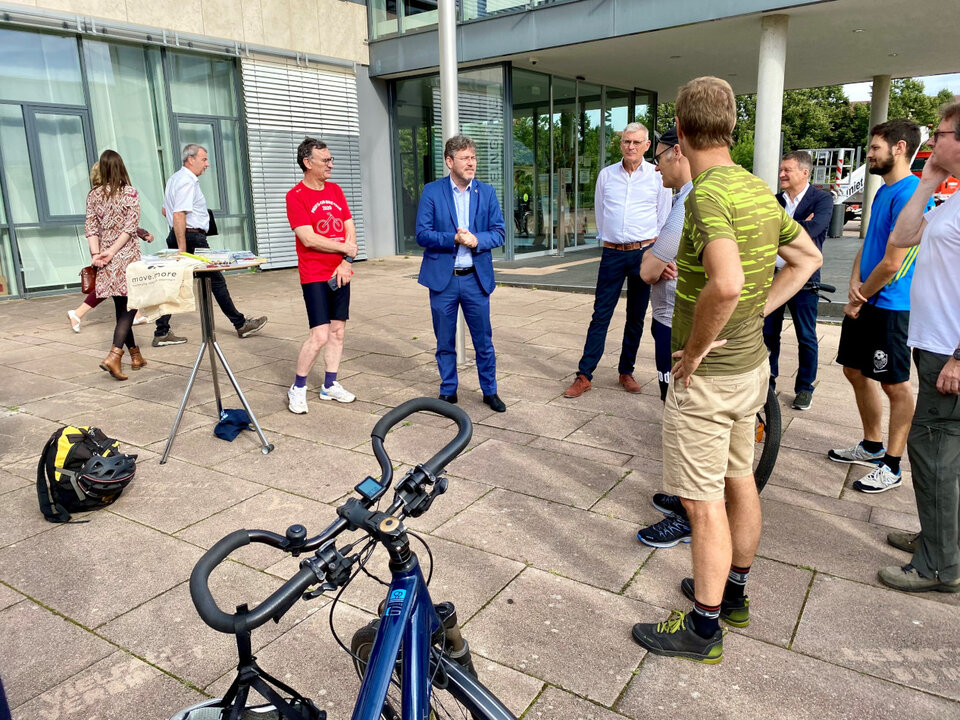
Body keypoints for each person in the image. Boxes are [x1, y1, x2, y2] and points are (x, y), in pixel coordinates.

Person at [630, 76, 822, 664]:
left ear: (681, 133)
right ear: (733, 127)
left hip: (711, 380)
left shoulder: (708, 194)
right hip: (753, 374)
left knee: (703, 500)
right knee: (740, 480)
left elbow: (728, 282)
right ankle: (733, 594)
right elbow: (807, 258)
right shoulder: (759, 189)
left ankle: (704, 628)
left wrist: (698, 346)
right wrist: (759, 312)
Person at [879, 102, 960, 593]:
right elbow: (903, 236)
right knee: (943, 455)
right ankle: (940, 540)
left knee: (933, 454)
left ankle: (938, 565)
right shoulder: (952, 199)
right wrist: (927, 181)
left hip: (950, 353)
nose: (934, 140)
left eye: (942, 133)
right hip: (936, 345)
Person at [828, 120, 925, 493]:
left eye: (874, 148)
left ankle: (893, 464)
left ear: (899, 148)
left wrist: (859, 297)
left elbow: (892, 263)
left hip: (890, 306)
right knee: (854, 370)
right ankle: (871, 445)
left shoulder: (911, 194)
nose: (868, 154)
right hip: (866, 298)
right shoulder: (883, 191)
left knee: (895, 385)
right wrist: (854, 283)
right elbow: (868, 246)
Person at [563, 122, 672, 398]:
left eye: (636, 142)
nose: (630, 147)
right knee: (600, 314)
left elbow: (664, 218)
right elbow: (601, 213)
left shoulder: (658, 177)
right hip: (612, 253)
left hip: (643, 253)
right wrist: (611, 237)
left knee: (635, 316)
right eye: (626, 142)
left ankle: (626, 371)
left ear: (647, 146)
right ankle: (585, 374)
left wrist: (658, 255)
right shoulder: (606, 175)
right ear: (620, 144)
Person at [633, 125, 695, 549]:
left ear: (678, 152)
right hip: (671, 319)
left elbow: (648, 270)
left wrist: (652, 257)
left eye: (659, 155)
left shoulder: (691, 199)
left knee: (683, 418)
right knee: (675, 411)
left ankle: (690, 515)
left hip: (679, 325)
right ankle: (685, 497)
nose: (656, 164)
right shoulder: (687, 197)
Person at [415, 135, 507, 412]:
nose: (471, 163)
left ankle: (489, 390)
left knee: (483, 341)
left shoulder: (487, 193)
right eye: (465, 158)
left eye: (473, 158)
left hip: (475, 280)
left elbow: (499, 233)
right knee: (444, 340)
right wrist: (453, 239)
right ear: (449, 161)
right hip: (443, 280)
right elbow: (422, 234)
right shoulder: (432, 192)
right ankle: (448, 390)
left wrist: (476, 241)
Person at [153, 144, 267, 346]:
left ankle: (162, 331)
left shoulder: (174, 179)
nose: (207, 164)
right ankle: (240, 324)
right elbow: (179, 213)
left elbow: (166, 211)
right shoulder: (187, 180)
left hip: (180, 235)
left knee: (176, 284)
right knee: (216, 281)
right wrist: (182, 248)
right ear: (190, 159)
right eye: (204, 159)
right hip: (190, 239)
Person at [284, 137, 358, 412]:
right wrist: (344, 248)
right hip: (314, 274)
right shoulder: (296, 196)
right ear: (307, 162)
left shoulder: (336, 191)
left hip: (340, 271)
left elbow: (350, 228)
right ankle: (298, 387)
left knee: (338, 330)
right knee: (320, 335)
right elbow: (308, 238)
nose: (331, 164)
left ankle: (329, 385)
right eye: (325, 160)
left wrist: (346, 261)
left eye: (331, 159)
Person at [763, 151, 834, 410]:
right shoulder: (773, 200)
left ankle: (804, 387)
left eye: (787, 170)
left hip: (805, 279)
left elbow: (815, 230)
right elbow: (764, 232)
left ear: (805, 172)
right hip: (774, 277)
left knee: (806, 335)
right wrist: (800, 225)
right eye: (781, 169)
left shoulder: (823, 199)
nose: (782, 174)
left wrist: (780, 229)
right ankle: (768, 380)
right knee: (768, 332)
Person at [84, 150, 147, 381]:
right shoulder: (130, 193)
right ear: (121, 167)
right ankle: (114, 355)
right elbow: (130, 228)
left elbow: (90, 228)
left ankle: (135, 356)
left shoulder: (93, 196)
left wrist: (97, 254)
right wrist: (112, 251)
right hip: (126, 256)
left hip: (105, 259)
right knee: (131, 306)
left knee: (121, 308)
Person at [69, 161, 152, 332]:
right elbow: (125, 223)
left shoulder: (96, 195)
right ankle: (78, 313)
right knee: (110, 286)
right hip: (113, 249)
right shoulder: (110, 194)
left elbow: (122, 222)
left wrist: (95, 252)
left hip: (103, 248)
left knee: (118, 285)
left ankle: (134, 317)